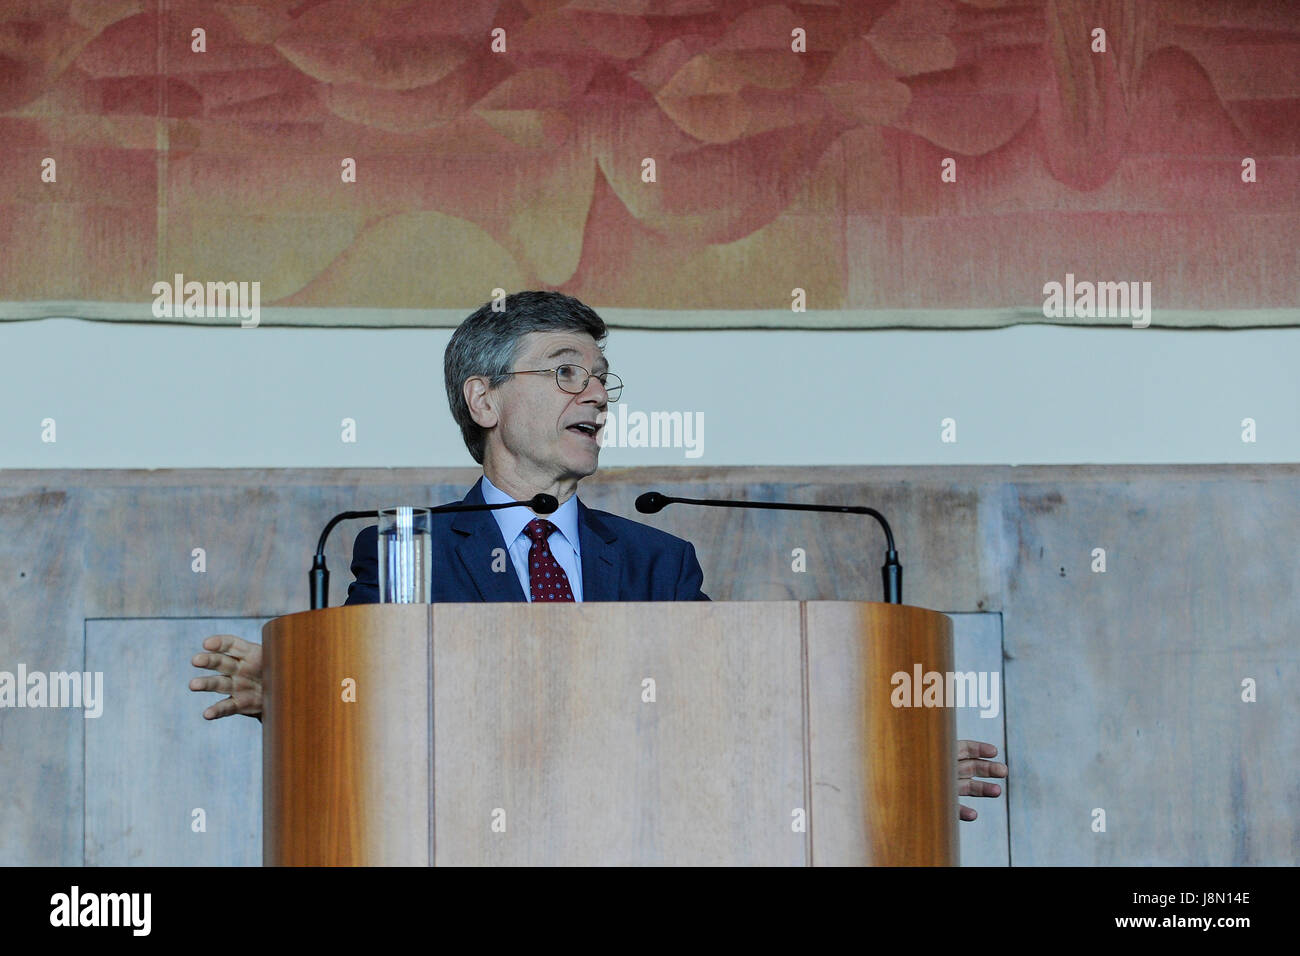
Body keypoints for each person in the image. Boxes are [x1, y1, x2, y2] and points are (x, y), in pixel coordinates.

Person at [190, 290, 1007, 820]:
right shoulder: (409, 549)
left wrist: (880, 751)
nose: (594, 396)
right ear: (484, 399)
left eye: (602, 379)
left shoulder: (658, 559)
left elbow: (727, 709)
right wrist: (293, 690)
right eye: (566, 372)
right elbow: (375, 697)